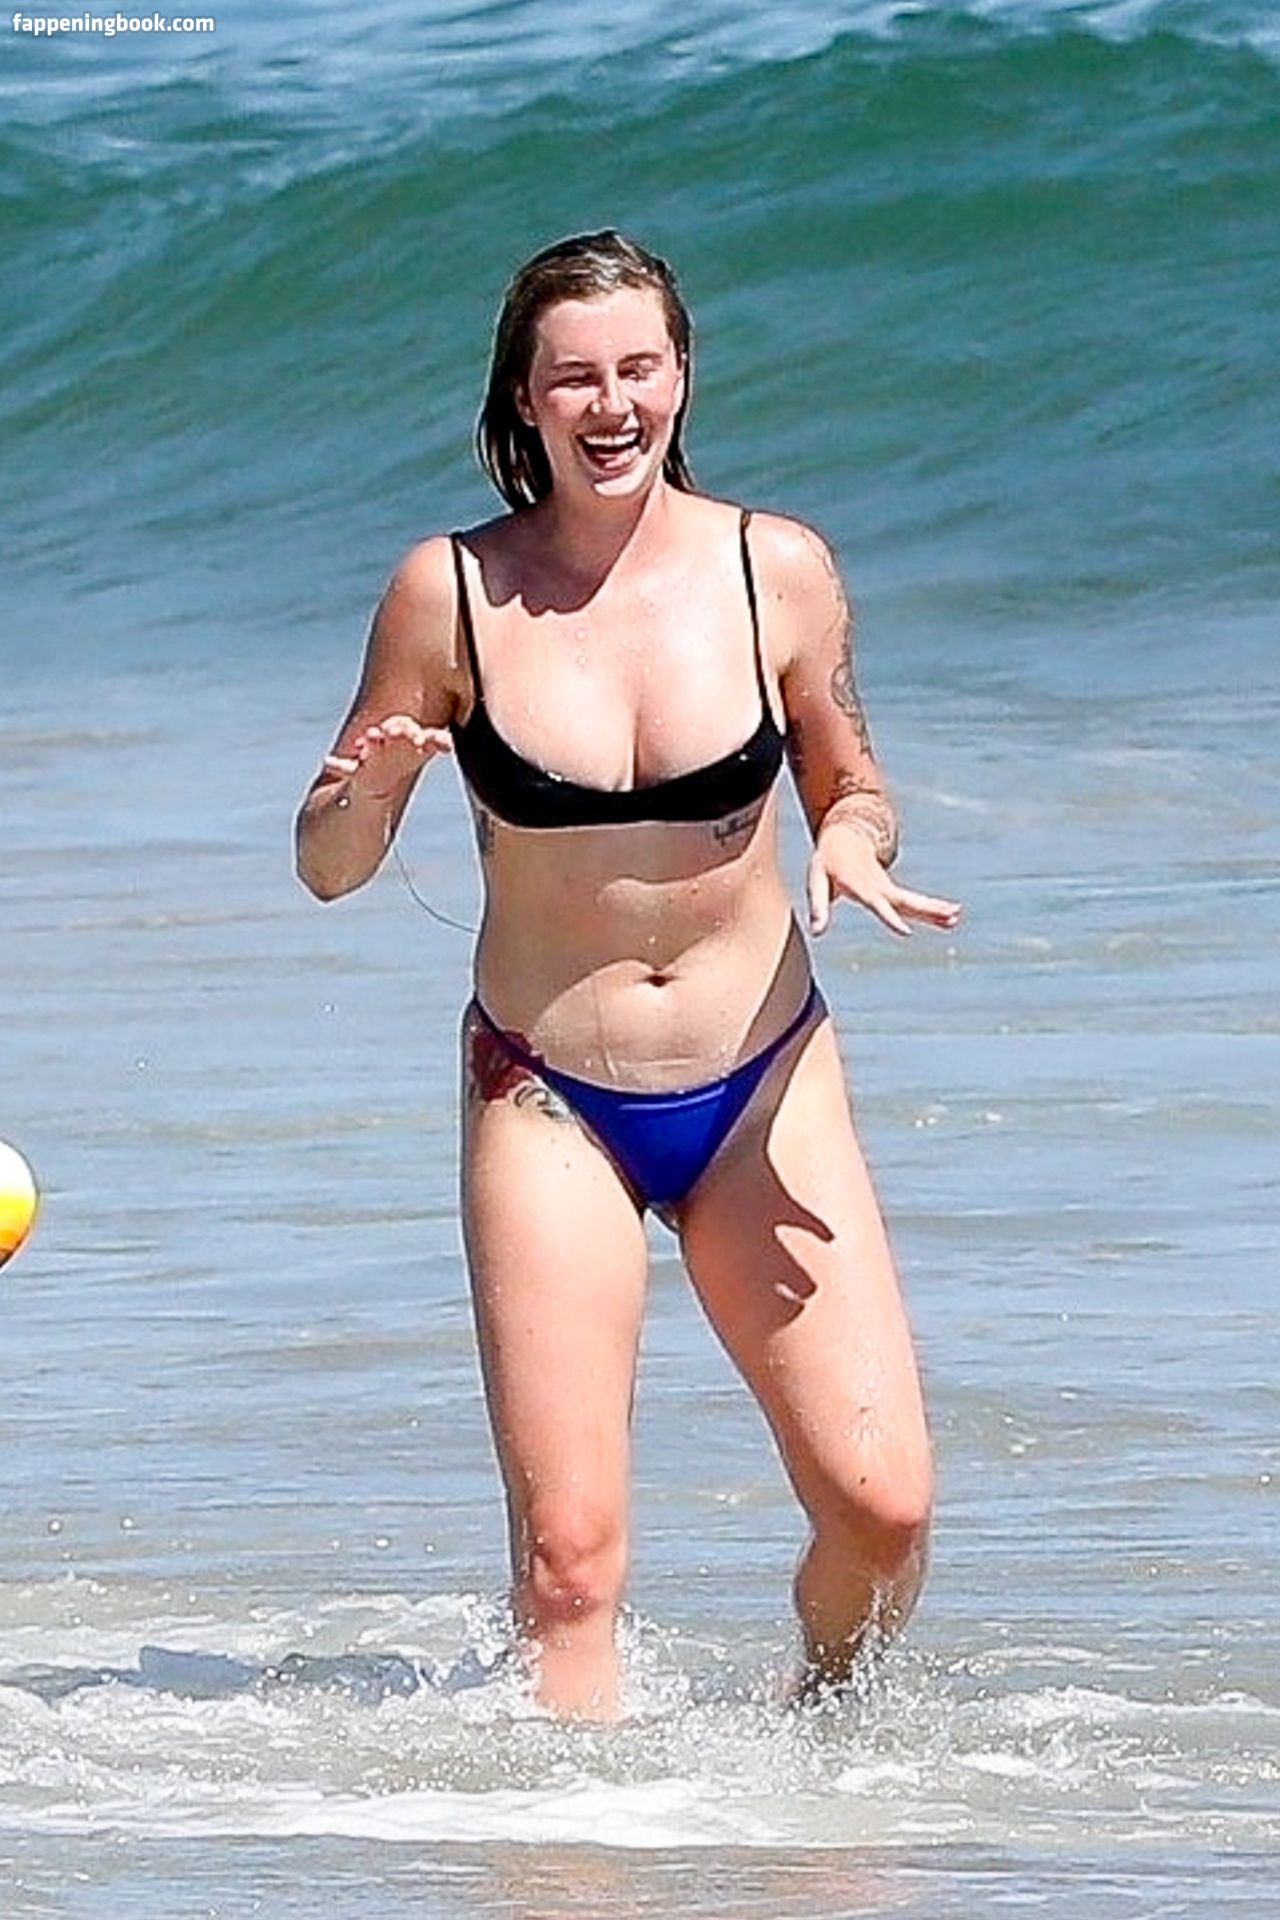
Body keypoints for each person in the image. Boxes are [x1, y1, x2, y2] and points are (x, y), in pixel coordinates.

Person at [296, 230, 961, 1721]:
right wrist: (370, 791)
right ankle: (578, 1837)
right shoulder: (449, 593)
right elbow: (327, 865)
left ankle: (817, 1742)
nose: (612, 405)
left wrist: (850, 840)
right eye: (574, 378)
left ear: (681, 377)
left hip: (761, 1079)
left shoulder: (775, 571)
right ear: (522, 401)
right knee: (569, 1567)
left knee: (883, 1510)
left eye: (639, 369)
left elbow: (854, 782)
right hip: (548, 1094)